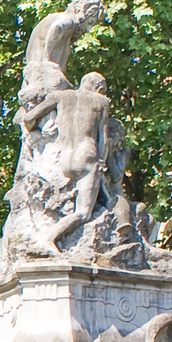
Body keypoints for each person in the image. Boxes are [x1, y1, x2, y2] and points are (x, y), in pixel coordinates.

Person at [17, 71, 116, 253]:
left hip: (65, 158)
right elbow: (102, 138)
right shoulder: (101, 101)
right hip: (87, 155)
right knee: (83, 212)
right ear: (99, 88)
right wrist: (101, 164)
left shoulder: (60, 96)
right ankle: (49, 237)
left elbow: (29, 118)